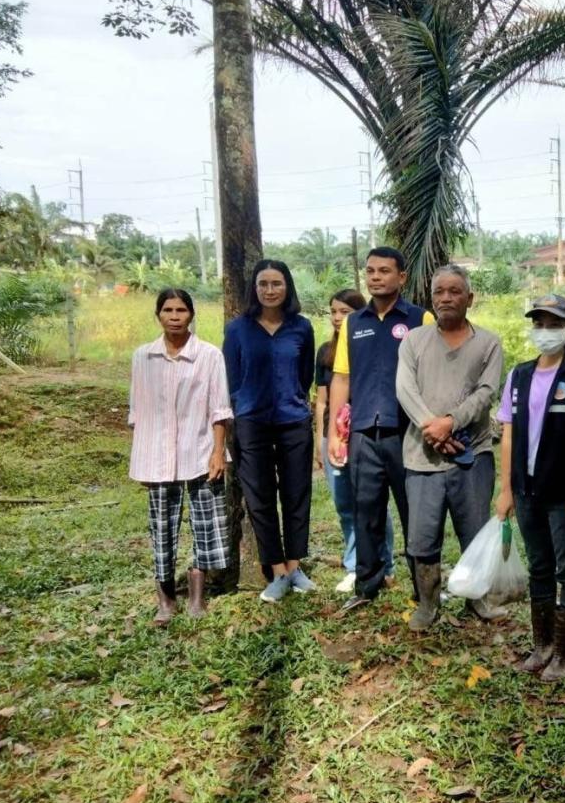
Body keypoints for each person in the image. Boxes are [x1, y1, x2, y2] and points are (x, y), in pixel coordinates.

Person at [494, 294, 565, 681]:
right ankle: (543, 646)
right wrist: (506, 489)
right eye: (538, 323)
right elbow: (507, 433)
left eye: (553, 324)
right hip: (526, 491)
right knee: (540, 567)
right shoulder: (518, 376)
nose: (544, 331)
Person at [395, 264, 503, 628]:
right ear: (431, 297)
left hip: (472, 456)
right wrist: (432, 425)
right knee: (422, 536)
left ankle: (477, 600)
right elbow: (404, 389)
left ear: (469, 298)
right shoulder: (414, 341)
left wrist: (451, 422)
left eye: (455, 291)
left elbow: (487, 392)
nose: (446, 298)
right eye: (439, 291)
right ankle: (428, 603)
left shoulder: (488, 343)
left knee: (473, 529)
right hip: (421, 456)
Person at [327, 249, 434, 611]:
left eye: (385, 271)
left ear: (401, 277)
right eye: (370, 271)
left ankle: (424, 589)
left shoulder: (421, 318)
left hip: (408, 434)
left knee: (413, 513)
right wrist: (334, 433)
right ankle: (367, 585)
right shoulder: (355, 322)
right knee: (366, 511)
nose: (376, 277)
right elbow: (341, 377)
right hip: (363, 433)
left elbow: (432, 378)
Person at [129, 289, 232, 624]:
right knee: (161, 527)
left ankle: (198, 599)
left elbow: (219, 409)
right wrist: (140, 459)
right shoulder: (143, 357)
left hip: (200, 452)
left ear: (191, 315)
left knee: (205, 525)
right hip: (156, 457)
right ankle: (165, 600)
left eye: (181, 310)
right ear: (158, 315)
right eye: (168, 310)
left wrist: (218, 452)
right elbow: (138, 411)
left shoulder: (209, 356)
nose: (174, 316)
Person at [223, 259, 317, 604]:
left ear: (287, 287)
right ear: (255, 288)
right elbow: (232, 379)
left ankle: (295, 566)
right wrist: (244, 405)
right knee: (260, 498)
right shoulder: (238, 330)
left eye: (277, 283)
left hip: (293, 420)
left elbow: (305, 375)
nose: (270, 290)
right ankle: (276, 571)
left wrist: (292, 396)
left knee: (296, 494)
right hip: (252, 422)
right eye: (263, 284)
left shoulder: (302, 328)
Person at [313, 287, 397, 595]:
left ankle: (385, 564)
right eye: (333, 311)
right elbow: (321, 401)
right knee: (345, 505)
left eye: (344, 312)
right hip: (334, 437)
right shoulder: (325, 352)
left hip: (363, 436)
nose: (337, 318)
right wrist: (321, 440)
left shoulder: (369, 344)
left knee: (374, 504)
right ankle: (354, 564)